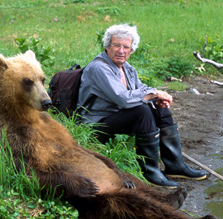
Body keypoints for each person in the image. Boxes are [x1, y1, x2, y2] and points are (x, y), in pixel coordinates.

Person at [77, 24, 206, 188]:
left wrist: (156, 96)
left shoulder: (128, 68)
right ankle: (150, 171)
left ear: (131, 50)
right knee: (141, 110)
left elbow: (142, 90)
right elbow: (123, 99)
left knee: (158, 106)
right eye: (117, 45)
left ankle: (175, 165)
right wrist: (154, 93)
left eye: (126, 47)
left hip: (118, 119)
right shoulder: (99, 68)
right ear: (107, 46)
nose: (121, 51)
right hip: (96, 127)